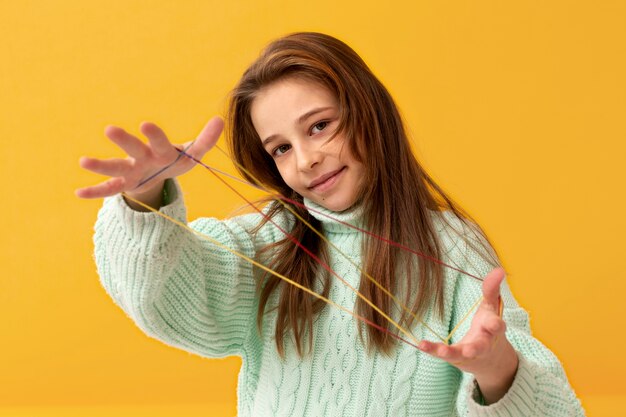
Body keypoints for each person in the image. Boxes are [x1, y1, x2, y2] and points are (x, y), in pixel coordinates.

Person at [76, 32, 584, 416]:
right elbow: (163, 296)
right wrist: (145, 199)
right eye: (281, 148)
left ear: (369, 113)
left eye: (319, 126)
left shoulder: (452, 247)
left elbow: (551, 403)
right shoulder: (270, 239)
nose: (305, 159)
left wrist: (497, 369)